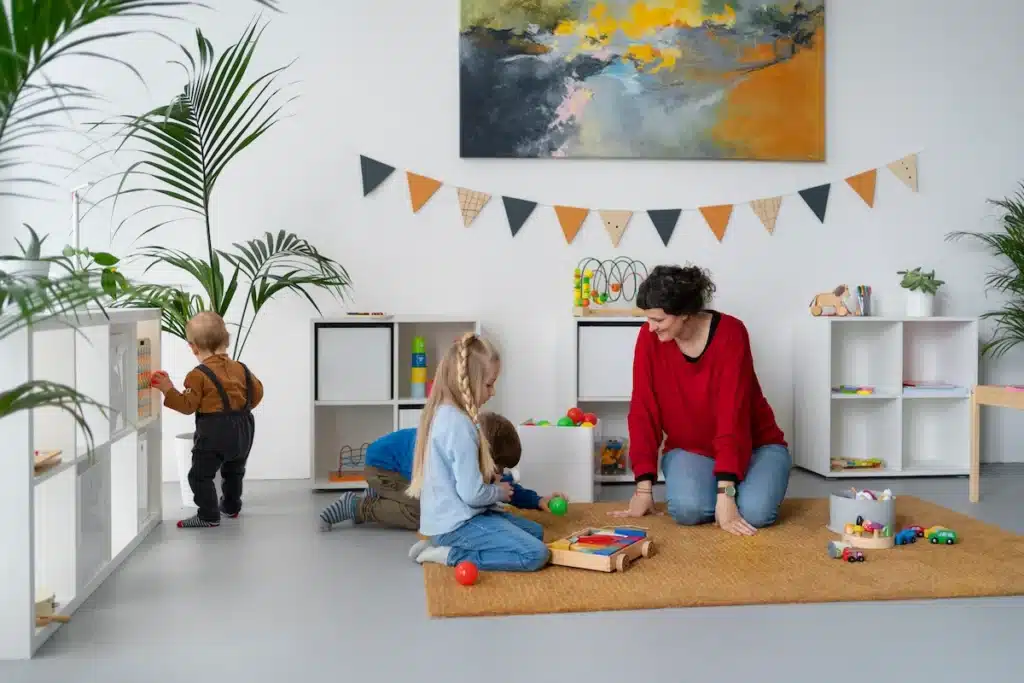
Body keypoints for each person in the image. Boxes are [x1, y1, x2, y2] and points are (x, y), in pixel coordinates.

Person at [612, 264, 791, 536]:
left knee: (756, 513)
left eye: (658, 320)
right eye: (648, 319)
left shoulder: (732, 333)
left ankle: (735, 484)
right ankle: (726, 487)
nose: (650, 328)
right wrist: (643, 488)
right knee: (688, 510)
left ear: (685, 313)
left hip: (756, 446)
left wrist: (726, 491)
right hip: (691, 450)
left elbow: (733, 414)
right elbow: (643, 410)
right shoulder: (649, 340)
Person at [405, 333, 551, 571]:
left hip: (455, 519)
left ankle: (445, 545)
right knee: (535, 554)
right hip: (456, 526)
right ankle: (450, 554)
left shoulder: (445, 413)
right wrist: (498, 492)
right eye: (489, 384)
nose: (492, 392)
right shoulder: (459, 426)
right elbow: (472, 494)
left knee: (535, 532)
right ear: (469, 381)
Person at [318, 411, 564, 530]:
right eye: (497, 467)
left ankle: (384, 497)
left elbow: (507, 487)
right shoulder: (448, 453)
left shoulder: (475, 451)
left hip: (401, 470)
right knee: (426, 513)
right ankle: (359, 506)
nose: (499, 474)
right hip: (383, 469)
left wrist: (537, 500)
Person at [153, 311, 264, 529]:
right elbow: (258, 393)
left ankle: (208, 515)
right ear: (228, 340)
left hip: (215, 431)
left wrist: (168, 389)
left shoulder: (198, 375)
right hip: (244, 428)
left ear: (193, 347)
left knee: (199, 475)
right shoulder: (242, 369)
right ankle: (231, 507)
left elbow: (187, 406)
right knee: (234, 471)